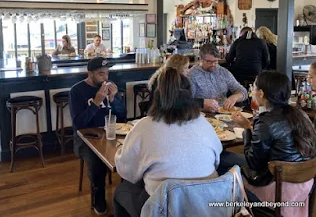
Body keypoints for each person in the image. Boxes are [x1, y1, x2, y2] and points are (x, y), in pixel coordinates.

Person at [113, 68, 222, 217]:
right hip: (207, 205)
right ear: (190, 95)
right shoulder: (203, 123)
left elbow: (128, 173)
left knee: (121, 191)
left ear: (156, 97)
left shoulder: (144, 126)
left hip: (165, 209)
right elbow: (216, 161)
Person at [221, 71, 316, 209]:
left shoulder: (265, 121)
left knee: (223, 159)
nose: (252, 91)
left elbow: (253, 163)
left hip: (277, 187)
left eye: (254, 87)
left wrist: (247, 130)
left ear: (261, 93)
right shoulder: (299, 113)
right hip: (305, 184)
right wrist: (249, 126)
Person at [69, 57, 126, 215]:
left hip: (111, 133)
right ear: (90, 73)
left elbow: (122, 117)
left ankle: (126, 194)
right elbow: (79, 124)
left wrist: (114, 100)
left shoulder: (111, 87)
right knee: (96, 162)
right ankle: (98, 197)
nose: (106, 78)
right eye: (101, 74)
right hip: (85, 138)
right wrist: (96, 102)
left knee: (131, 152)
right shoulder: (76, 91)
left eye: (107, 73)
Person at [147, 54, 217, 112]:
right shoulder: (166, 81)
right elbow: (174, 103)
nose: (188, 71)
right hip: (162, 117)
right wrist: (201, 103)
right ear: (178, 69)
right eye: (186, 68)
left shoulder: (165, 77)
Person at [188, 43, 247, 112]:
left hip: (224, 113)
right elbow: (181, 102)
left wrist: (234, 97)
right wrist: (201, 103)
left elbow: (244, 92)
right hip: (204, 116)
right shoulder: (192, 75)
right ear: (201, 59)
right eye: (209, 61)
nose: (213, 65)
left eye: (215, 61)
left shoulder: (223, 72)